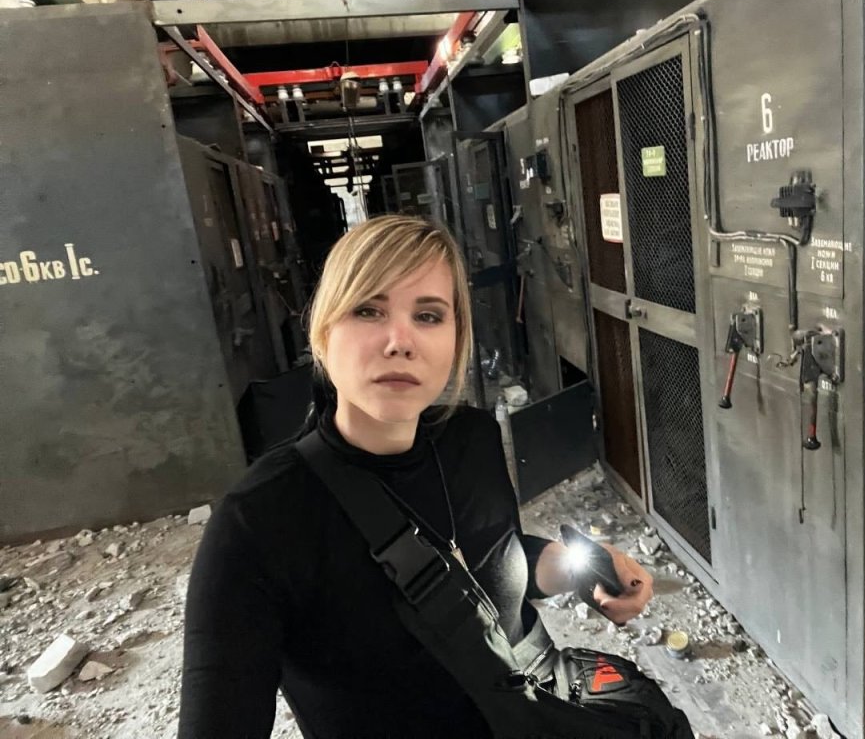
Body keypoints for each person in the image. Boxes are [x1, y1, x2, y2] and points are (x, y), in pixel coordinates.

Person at [178, 215, 655, 738]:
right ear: (323, 334)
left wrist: (582, 569)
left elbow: (494, 560)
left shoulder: (471, 441)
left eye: (428, 315)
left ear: (456, 339)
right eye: (368, 310)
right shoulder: (259, 519)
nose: (400, 341)